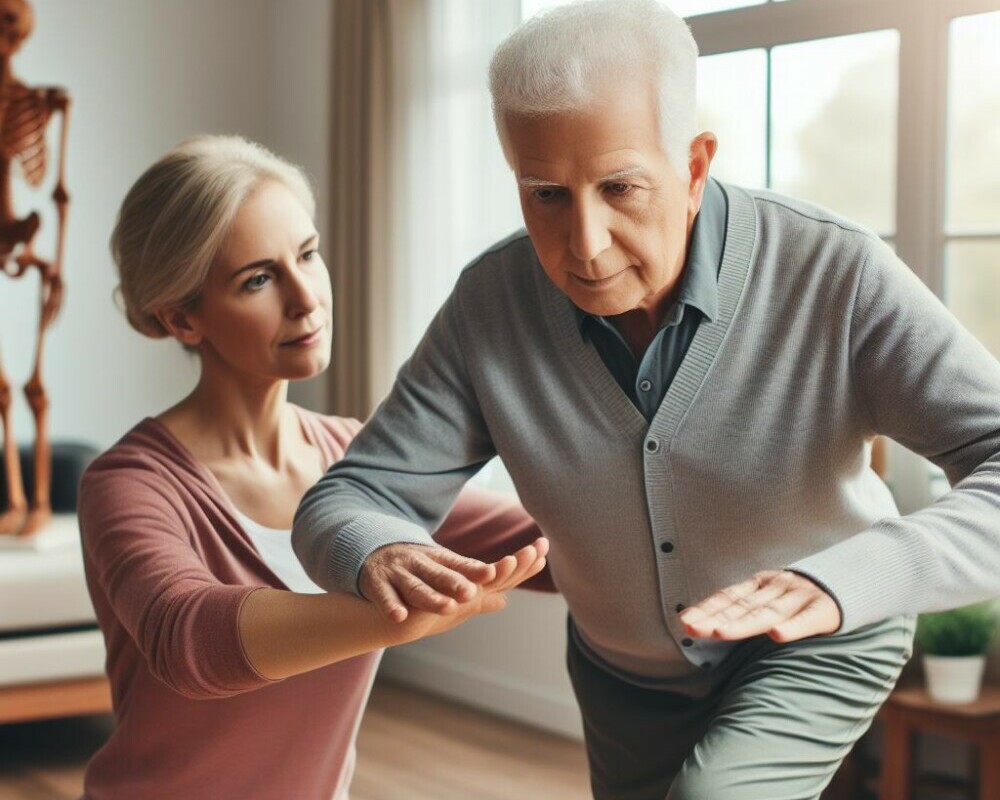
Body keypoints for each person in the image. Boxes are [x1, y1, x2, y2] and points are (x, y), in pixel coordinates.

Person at [291, 1, 1000, 798]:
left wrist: (855, 575)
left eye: (621, 187)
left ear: (694, 166)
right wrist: (378, 548)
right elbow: (349, 495)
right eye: (546, 195)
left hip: (816, 639)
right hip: (620, 673)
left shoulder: (837, 274)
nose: (584, 245)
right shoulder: (489, 304)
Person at [77, 134, 551, 800]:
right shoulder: (128, 483)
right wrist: (399, 615)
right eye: (258, 279)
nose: (306, 298)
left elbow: (546, 538)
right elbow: (187, 638)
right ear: (182, 319)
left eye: (307, 254)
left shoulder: (355, 462)